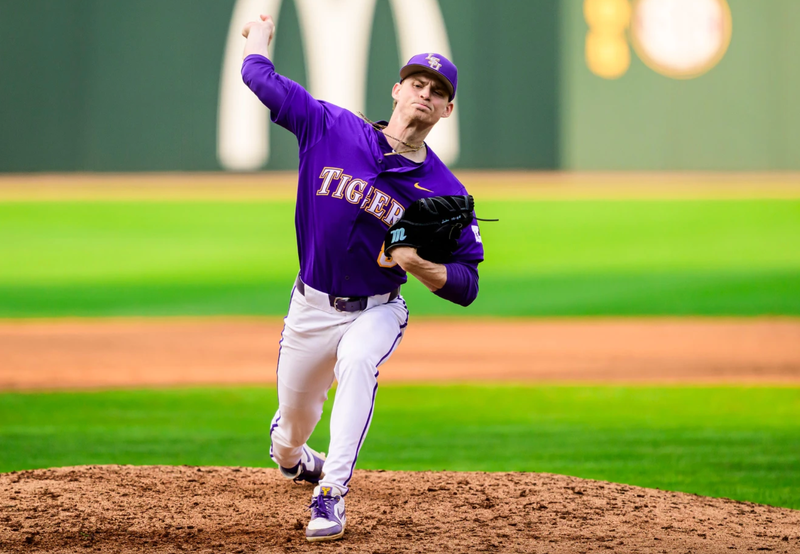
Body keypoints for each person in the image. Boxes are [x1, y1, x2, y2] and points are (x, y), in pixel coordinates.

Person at [240, 14, 484, 542]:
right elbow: (261, 79)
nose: (424, 93)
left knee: (357, 361)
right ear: (396, 90)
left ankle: (330, 494)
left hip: (376, 308)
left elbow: (468, 283)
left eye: (437, 91)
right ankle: (293, 457)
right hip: (309, 308)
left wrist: (417, 264)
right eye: (417, 83)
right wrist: (259, 39)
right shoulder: (330, 126)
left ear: (446, 109)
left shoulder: (444, 190)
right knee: (289, 431)